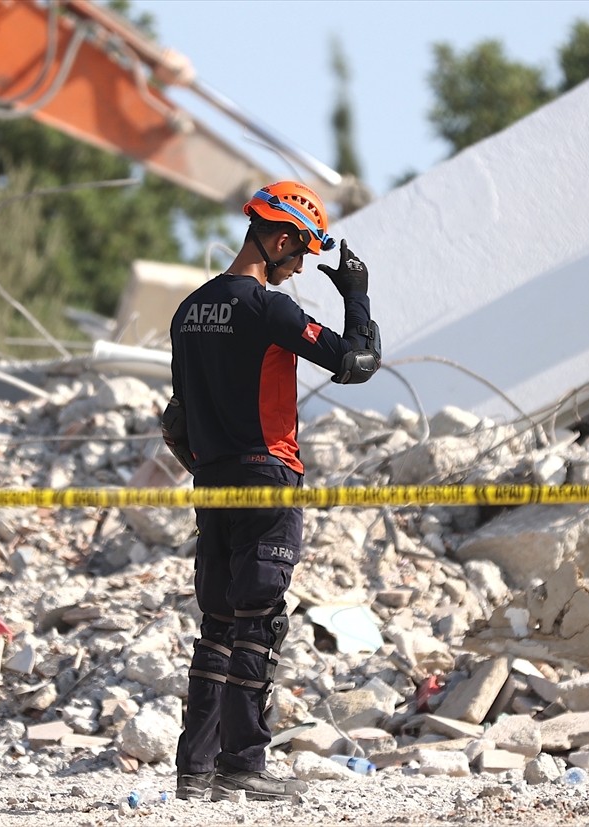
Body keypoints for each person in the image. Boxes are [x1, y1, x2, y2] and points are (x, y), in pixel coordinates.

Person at [160, 181, 381, 802]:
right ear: (279, 237)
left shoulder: (188, 311)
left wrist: (209, 464)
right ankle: (245, 768)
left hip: (212, 482)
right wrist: (356, 297)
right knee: (259, 624)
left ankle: (195, 771)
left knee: (216, 627)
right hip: (267, 477)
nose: (302, 266)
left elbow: (176, 415)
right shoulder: (267, 309)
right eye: (300, 253)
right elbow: (355, 362)